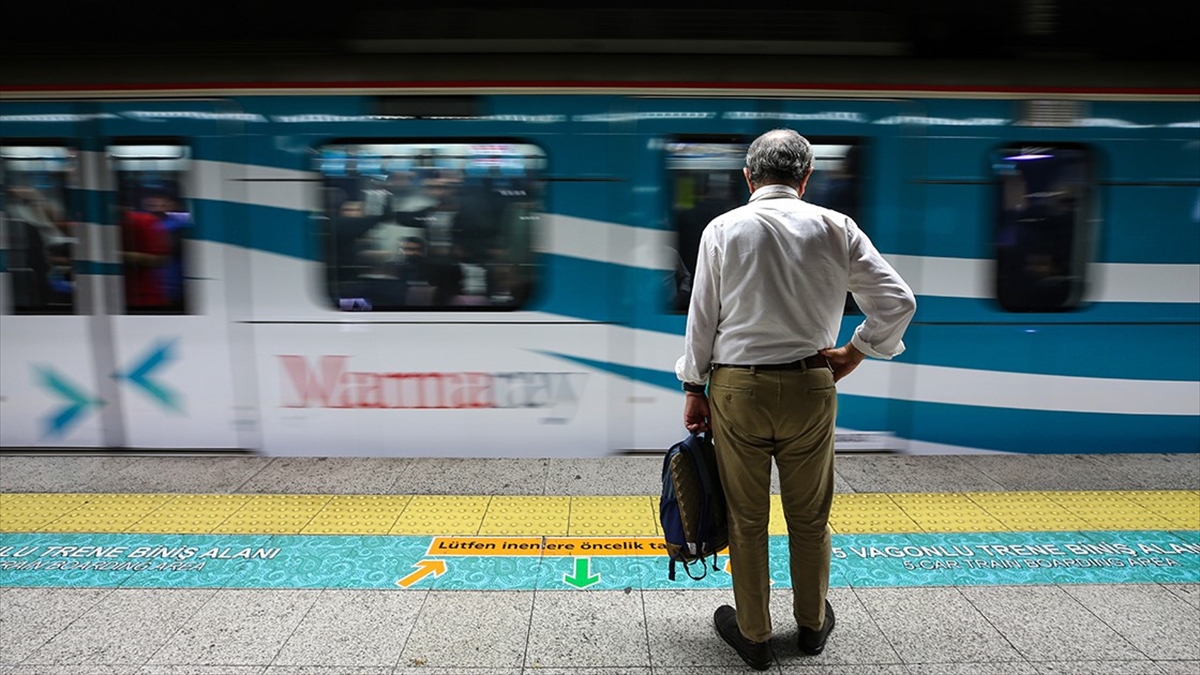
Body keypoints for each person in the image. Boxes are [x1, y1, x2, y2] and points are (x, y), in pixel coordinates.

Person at [675, 129, 915, 670]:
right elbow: (899, 300)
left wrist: (695, 388)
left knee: (747, 516)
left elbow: (702, 318)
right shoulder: (837, 227)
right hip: (811, 383)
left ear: (747, 177)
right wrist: (856, 350)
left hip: (738, 389)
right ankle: (811, 626)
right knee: (809, 517)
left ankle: (755, 635)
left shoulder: (723, 229)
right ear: (807, 178)